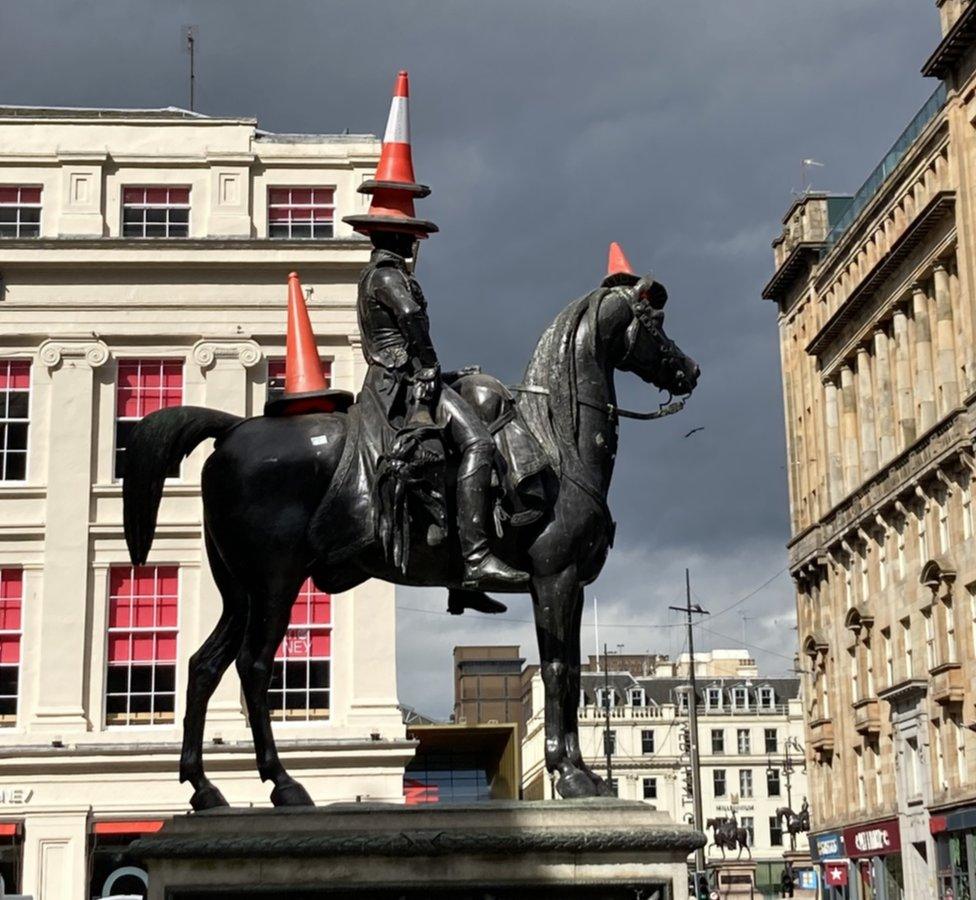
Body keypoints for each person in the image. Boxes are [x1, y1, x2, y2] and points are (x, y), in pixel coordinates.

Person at [344, 70, 528, 590]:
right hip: (399, 389)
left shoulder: (374, 275)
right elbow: (413, 325)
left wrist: (443, 369)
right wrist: (429, 368)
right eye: (413, 235)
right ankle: (475, 558)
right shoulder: (389, 276)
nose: (415, 244)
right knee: (479, 446)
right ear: (402, 237)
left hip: (395, 379)